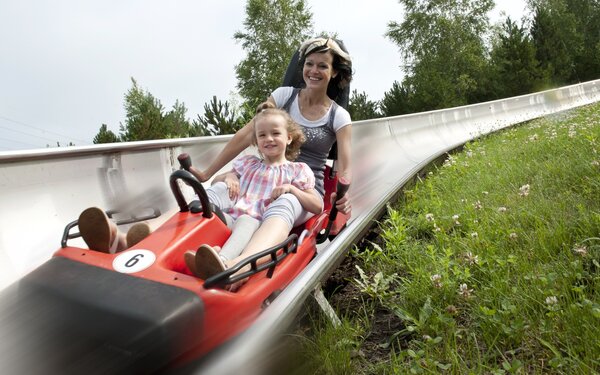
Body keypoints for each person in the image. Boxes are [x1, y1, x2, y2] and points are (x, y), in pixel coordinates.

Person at [187, 37, 354, 287]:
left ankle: (238, 267)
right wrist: (208, 173)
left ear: (334, 73)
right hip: (265, 175)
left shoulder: (338, 116)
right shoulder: (284, 96)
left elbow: (345, 164)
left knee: (286, 200)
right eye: (309, 64)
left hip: (303, 186)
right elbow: (246, 134)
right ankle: (165, 240)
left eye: (322, 66)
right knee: (223, 188)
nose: (314, 71)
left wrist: (341, 194)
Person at [184, 102, 322, 279]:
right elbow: (216, 181)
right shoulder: (249, 163)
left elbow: (317, 206)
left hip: (255, 222)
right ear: (256, 141)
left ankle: (223, 262)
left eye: (275, 133)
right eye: (262, 135)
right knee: (211, 211)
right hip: (230, 217)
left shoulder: (297, 170)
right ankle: (190, 248)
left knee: (246, 222)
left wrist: (291, 189)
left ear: (289, 138)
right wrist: (230, 177)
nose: (269, 139)